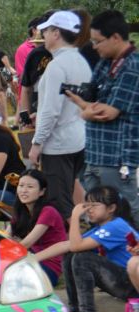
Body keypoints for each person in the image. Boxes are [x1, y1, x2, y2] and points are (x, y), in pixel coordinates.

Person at [66, 10, 139, 223]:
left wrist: (83, 108)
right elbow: (91, 94)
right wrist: (88, 107)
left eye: (98, 41)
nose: (94, 47)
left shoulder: (132, 67)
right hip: (95, 154)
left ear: (116, 37)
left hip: (117, 157)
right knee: (97, 214)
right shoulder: (106, 62)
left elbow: (108, 112)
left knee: (125, 210)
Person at [28, 10, 91, 222]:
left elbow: (51, 111)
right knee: (70, 193)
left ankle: (68, 250)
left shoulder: (56, 66)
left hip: (58, 145)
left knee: (59, 202)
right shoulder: (81, 62)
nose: (43, 35)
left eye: (46, 31)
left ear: (56, 33)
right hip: (78, 139)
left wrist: (37, 144)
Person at [64, 186, 139, 312]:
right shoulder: (102, 227)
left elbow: (75, 246)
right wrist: (33, 259)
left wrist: (74, 216)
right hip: (125, 281)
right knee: (70, 256)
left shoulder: (115, 226)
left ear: (111, 208)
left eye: (94, 205)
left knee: (82, 258)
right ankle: (75, 311)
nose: (88, 209)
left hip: (134, 285)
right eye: (87, 205)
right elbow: (67, 245)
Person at [9, 169, 68, 286]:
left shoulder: (48, 211)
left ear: (42, 191)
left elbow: (26, 244)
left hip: (48, 266)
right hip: (31, 258)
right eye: (21, 186)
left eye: (30, 187)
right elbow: (4, 237)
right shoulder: (21, 211)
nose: (24, 190)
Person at [18, 10, 56, 128]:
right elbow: (26, 88)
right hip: (38, 107)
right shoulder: (36, 54)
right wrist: (26, 117)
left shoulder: (74, 52)